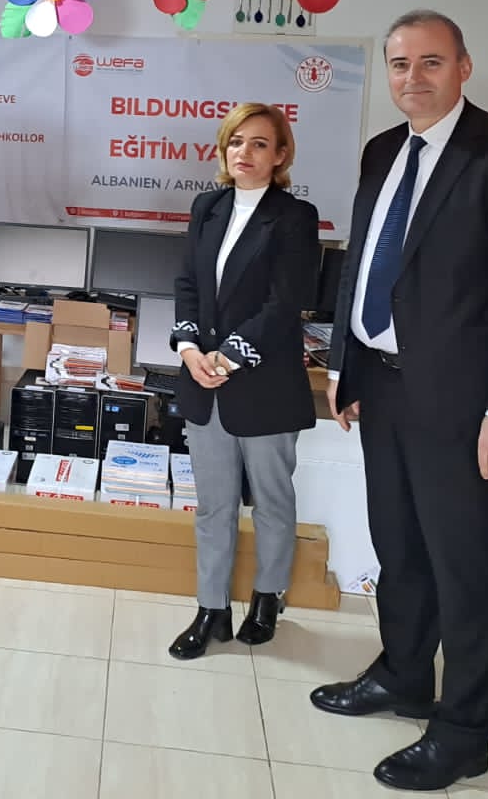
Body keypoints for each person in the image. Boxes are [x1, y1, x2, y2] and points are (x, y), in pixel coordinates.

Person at [309, 11, 488, 792]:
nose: (412, 78)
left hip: (466, 404)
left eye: (430, 62)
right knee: (399, 546)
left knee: (467, 566)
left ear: (463, 67)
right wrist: (344, 363)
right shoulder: (383, 150)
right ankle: (404, 674)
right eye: (399, 64)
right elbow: (362, 264)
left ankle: (464, 732)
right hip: (382, 387)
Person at [167, 103, 321, 660]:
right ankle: (211, 609)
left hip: (263, 383)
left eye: (259, 144)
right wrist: (189, 349)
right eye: (236, 141)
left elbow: (286, 302)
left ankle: (267, 597)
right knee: (213, 506)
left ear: (280, 156)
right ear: (223, 149)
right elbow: (187, 283)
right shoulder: (207, 207)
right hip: (203, 382)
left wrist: (228, 358)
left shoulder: (295, 217)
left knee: (272, 500)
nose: (245, 153)